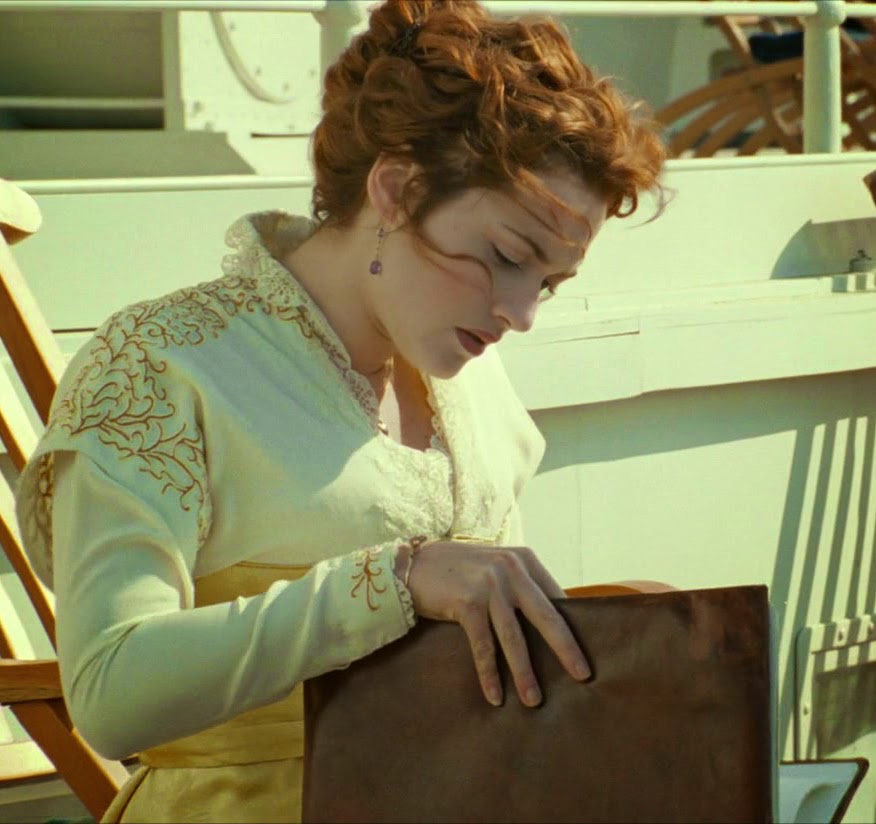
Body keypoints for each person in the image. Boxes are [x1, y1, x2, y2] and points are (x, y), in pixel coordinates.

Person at [15, 0, 666, 821]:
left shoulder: (473, 380)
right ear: (396, 188)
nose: (521, 313)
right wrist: (392, 581)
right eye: (506, 256)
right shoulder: (163, 365)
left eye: (549, 283)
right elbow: (112, 695)